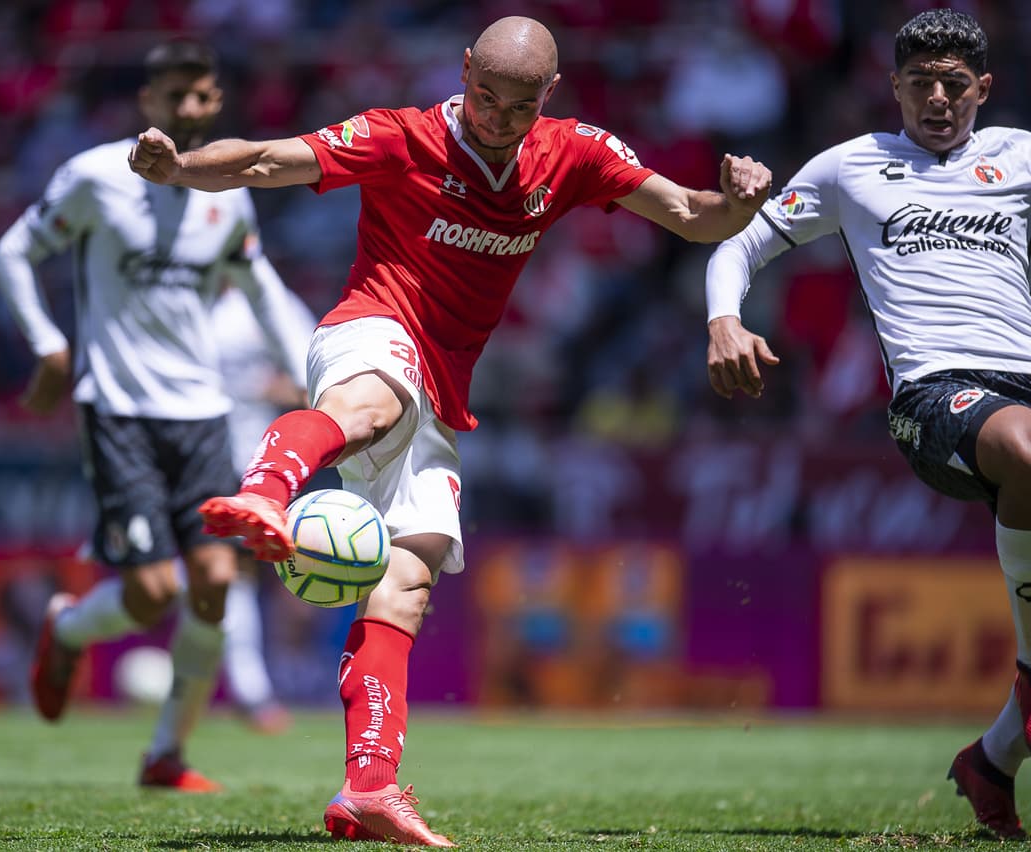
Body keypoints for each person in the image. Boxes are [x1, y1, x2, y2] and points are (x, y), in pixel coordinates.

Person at [131, 15, 771, 846]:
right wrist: (179, 167)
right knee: (371, 408)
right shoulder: (400, 137)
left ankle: (369, 787)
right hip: (368, 331)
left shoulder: (573, 153)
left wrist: (741, 202)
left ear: (549, 93)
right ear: (463, 70)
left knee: (408, 581)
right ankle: (265, 490)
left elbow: (691, 214)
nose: (498, 119)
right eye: (484, 97)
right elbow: (266, 158)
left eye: (517, 105)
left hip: (445, 389)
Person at [703, 8, 1031, 839]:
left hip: (1024, 389)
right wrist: (723, 321)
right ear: (892, 87)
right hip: (934, 398)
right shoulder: (853, 168)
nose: (936, 99)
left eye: (954, 84)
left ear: (983, 88)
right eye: (919, 83)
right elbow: (738, 244)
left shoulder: (1021, 157)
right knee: (1025, 448)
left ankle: (992, 759)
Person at [0, 38, 307, 792]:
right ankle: (66, 629)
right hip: (120, 410)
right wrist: (49, 347)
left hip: (201, 412)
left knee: (214, 582)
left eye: (202, 96)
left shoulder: (228, 189)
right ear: (148, 103)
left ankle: (166, 753)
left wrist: (306, 374)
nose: (189, 109)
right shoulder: (95, 178)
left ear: (217, 100)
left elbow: (258, 282)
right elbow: (12, 252)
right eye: (174, 96)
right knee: (152, 594)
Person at [210, 278, 316, 733]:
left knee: (286, 575)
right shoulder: (171, 296)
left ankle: (278, 680)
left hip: (270, 460)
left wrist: (267, 387)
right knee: (229, 572)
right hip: (203, 456)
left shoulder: (270, 298)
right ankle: (252, 690)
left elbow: (315, 378)